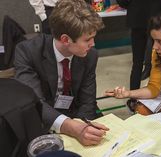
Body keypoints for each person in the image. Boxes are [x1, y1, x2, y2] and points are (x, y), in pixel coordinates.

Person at [15, 0, 109, 146]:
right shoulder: (28, 52)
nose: (93, 44)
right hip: (44, 118)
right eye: (88, 39)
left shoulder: (90, 55)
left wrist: (82, 127)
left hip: (77, 114)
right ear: (66, 39)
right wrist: (71, 127)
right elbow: (34, 104)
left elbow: (87, 101)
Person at [116, 0, 161, 91]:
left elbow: (122, 1)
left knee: (137, 63)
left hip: (137, 17)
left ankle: (133, 97)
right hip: (160, 17)